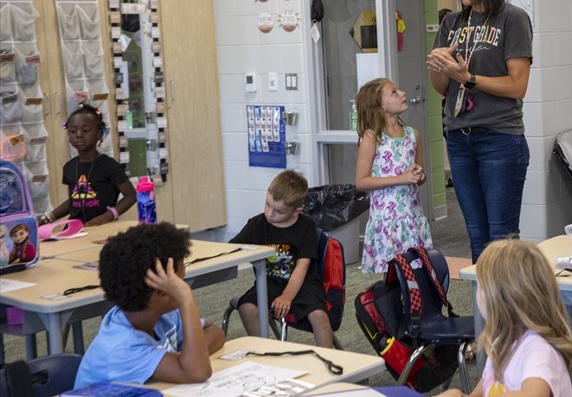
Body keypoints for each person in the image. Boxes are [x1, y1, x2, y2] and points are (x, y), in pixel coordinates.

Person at [426, 0, 533, 263]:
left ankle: (507, 313)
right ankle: (483, 313)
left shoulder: (512, 19)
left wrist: (467, 77)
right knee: (476, 236)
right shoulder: (452, 24)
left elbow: (517, 85)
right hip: (459, 138)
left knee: (501, 238)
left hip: (499, 139)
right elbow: (438, 86)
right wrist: (441, 68)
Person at [74, 222, 225, 388]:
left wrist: (186, 357)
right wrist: (186, 299)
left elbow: (215, 332)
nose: (185, 287)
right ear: (161, 291)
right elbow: (197, 372)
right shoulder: (122, 348)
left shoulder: (159, 313)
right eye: (180, 283)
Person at [438, 239, 572, 397]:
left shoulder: (539, 350)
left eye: (481, 286)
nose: (477, 293)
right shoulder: (502, 341)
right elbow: (485, 390)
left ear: (500, 300)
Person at [228, 170, 333, 347]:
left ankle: (332, 359)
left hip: (303, 283)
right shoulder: (257, 224)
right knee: (247, 307)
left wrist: (287, 296)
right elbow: (231, 249)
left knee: (319, 315)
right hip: (269, 283)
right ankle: (263, 352)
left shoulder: (306, 226)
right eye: (267, 205)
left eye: (278, 211)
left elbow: (302, 266)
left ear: (297, 210)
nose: (270, 214)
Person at [354, 77, 432, 274]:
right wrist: (401, 178)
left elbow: (420, 178)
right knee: (393, 278)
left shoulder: (413, 134)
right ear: (380, 107)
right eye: (394, 93)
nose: (403, 94)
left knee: (416, 274)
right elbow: (361, 182)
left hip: (411, 217)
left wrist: (418, 174)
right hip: (386, 222)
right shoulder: (372, 138)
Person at [38, 103, 136, 227]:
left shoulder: (109, 165)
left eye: (85, 130)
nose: (79, 134)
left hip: (102, 228)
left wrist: (108, 216)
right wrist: (49, 217)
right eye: (73, 131)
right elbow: (75, 200)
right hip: (74, 230)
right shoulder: (69, 167)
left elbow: (131, 195)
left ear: (99, 134)